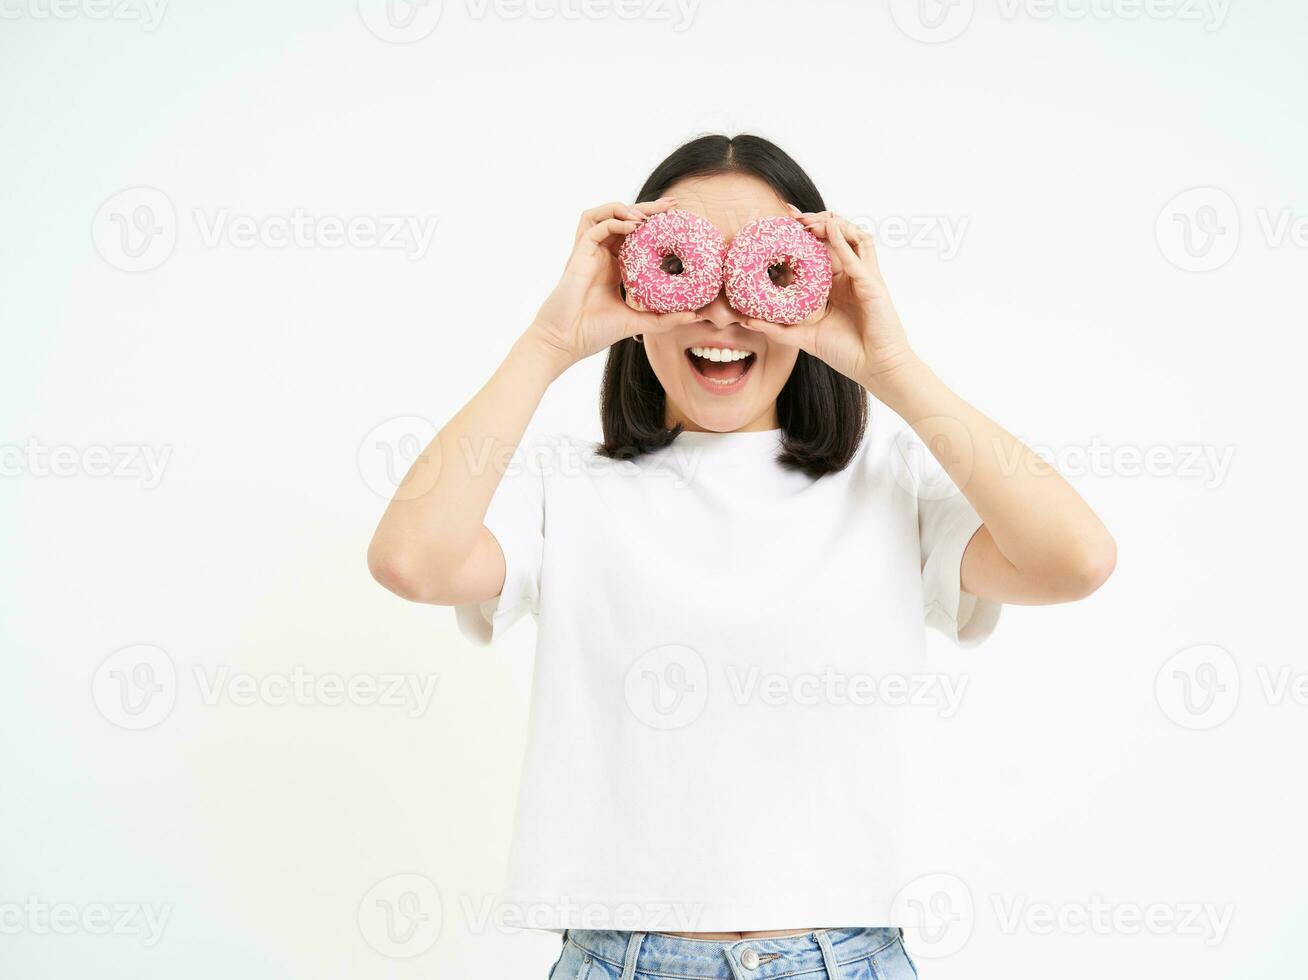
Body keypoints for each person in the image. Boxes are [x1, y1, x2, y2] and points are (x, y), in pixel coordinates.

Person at [368, 133, 1116, 979]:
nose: (722, 314)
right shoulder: (564, 490)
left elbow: (1077, 560)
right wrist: (549, 342)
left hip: (850, 958)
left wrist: (891, 363)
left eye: (760, 274)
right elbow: (411, 562)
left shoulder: (891, 487)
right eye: (688, 266)